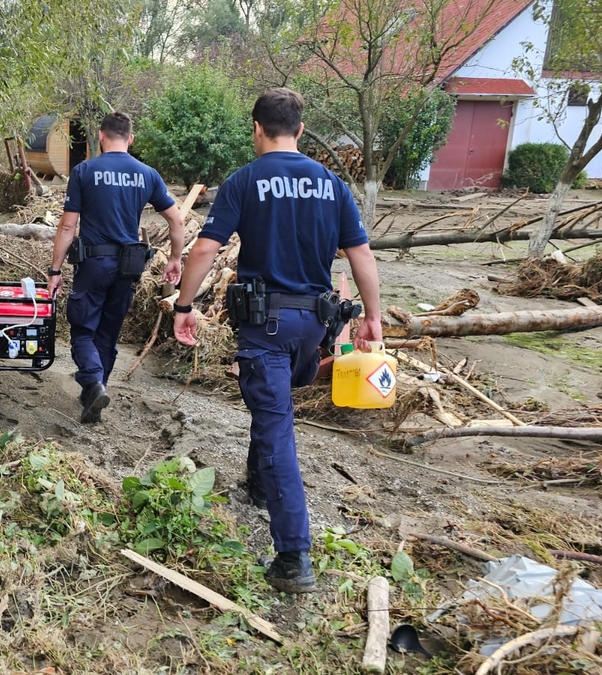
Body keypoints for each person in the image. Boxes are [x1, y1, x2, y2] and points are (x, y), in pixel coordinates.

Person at [172, 88, 382, 593]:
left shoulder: (245, 181)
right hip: (313, 326)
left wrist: (184, 305)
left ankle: (294, 556)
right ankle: (260, 486)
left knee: (276, 426)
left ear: (256, 129)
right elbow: (362, 257)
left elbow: (204, 249)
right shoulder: (332, 184)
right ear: (301, 130)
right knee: (272, 406)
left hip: (265, 326)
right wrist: (372, 317)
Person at [48, 112, 185, 423]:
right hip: (129, 266)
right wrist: (176, 258)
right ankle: (95, 393)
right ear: (131, 138)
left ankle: (94, 382)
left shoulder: (85, 171)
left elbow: (68, 226)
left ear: (100, 136)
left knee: (83, 329)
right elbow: (176, 220)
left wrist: (55, 271)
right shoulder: (147, 174)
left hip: (94, 263)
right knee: (108, 333)